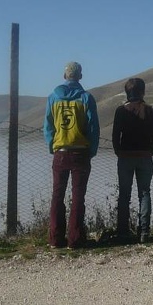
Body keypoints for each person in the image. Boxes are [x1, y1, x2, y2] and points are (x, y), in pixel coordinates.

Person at [43, 61, 99, 249]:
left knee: (57, 195)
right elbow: (93, 128)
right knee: (78, 197)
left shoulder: (53, 97)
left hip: (60, 152)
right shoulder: (86, 98)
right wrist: (92, 151)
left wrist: (53, 147)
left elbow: (48, 127)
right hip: (81, 153)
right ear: (80, 77)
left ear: (64, 75)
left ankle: (55, 239)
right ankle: (75, 240)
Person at [112, 77, 153, 243]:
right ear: (143, 91)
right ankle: (144, 232)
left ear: (127, 92)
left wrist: (119, 151)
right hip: (145, 157)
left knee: (124, 194)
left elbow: (115, 135)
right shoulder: (151, 110)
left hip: (125, 157)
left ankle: (123, 232)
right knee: (144, 193)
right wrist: (150, 152)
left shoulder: (120, 111)